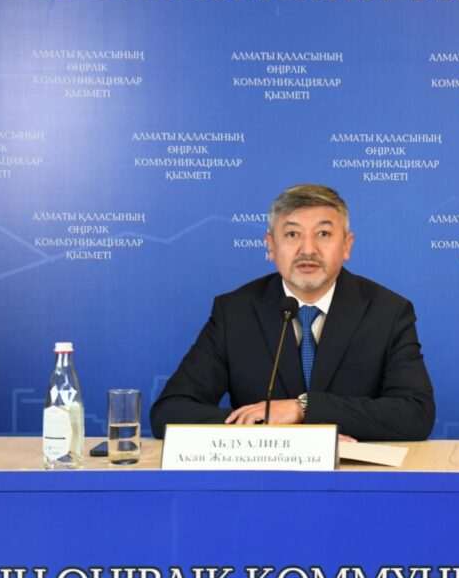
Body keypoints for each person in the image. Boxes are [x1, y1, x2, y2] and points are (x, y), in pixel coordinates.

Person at [150, 184, 435, 441]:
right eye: (292, 234)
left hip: (353, 474)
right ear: (271, 246)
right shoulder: (235, 312)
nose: (307, 250)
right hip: (263, 476)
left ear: (346, 245)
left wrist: (303, 409)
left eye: (323, 234)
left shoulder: (387, 312)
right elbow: (169, 412)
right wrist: (279, 435)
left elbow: (416, 414)